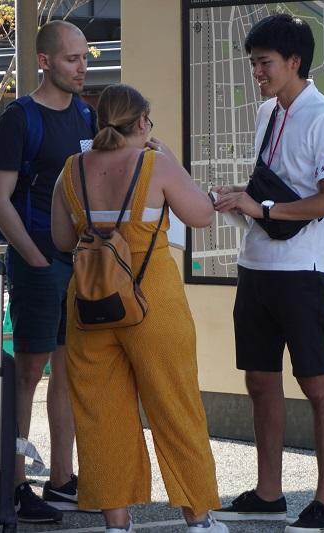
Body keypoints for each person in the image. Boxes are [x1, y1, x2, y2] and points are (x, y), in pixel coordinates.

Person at [50, 84, 228, 533]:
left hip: (91, 305)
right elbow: (202, 215)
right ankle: (198, 518)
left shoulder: (70, 170)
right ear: (143, 123)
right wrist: (170, 159)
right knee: (175, 406)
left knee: (100, 413)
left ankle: (116, 523)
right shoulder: (155, 165)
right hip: (153, 304)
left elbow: (62, 241)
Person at [209, 14, 324, 533]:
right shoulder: (267, 111)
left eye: (264, 62)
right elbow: (269, 186)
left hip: (302, 270)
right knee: (259, 380)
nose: (256, 72)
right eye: (252, 63)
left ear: (295, 61)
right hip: (256, 264)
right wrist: (239, 202)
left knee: (317, 384)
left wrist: (263, 208)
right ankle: (269, 493)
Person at [0, 20, 94, 523]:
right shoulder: (18, 118)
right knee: (28, 373)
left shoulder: (88, 116)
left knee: (69, 370)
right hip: (37, 264)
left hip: (77, 265)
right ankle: (12, 485)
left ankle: (61, 480)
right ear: (46, 61)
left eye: (86, 57)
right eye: (73, 58)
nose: (82, 67)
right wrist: (32, 255)